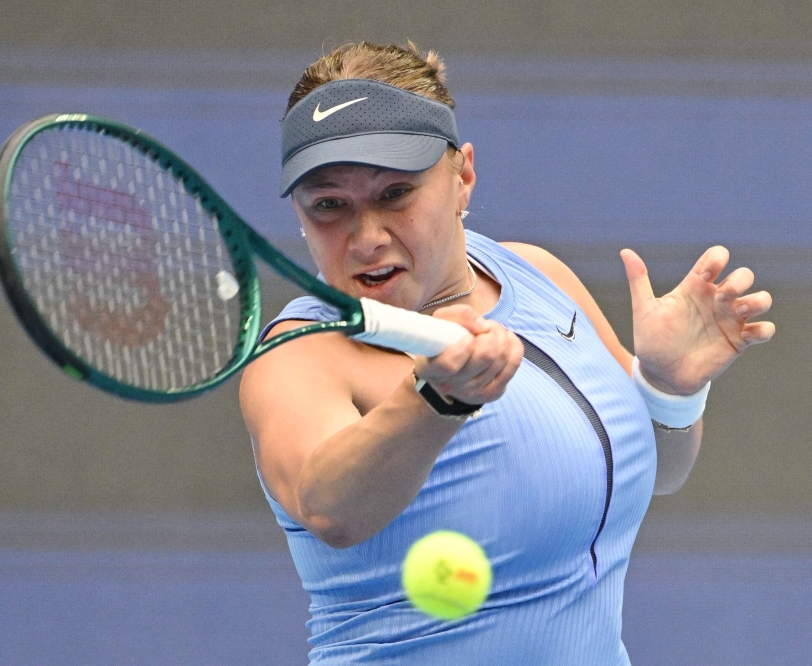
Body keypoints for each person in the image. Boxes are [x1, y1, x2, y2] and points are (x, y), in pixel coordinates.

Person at [240, 41, 775, 664]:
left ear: (462, 176)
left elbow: (661, 469)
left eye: (395, 195)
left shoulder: (538, 273)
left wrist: (669, 390)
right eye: (330, 205)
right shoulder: (299, 353)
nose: (366, 237)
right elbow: (328, 507)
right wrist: (435, 400)